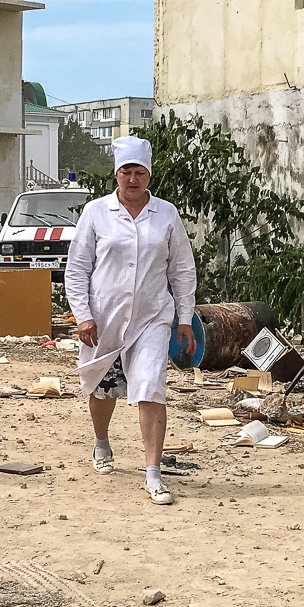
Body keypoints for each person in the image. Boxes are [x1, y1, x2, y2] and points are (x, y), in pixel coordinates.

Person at [66, 136, 197, 505]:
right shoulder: (96, 212)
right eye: (126, 171)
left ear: (149, 175)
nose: (133, 179)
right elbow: (77, 268)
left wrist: (185, 318)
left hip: (152, 317)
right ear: (116, 174)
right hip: (104, 319)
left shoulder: (166, 214)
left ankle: (153, 474)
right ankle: (101, 441)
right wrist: (83, 316)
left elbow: (182, 269)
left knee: (151, 386)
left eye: (140, 172)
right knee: (102, 388)